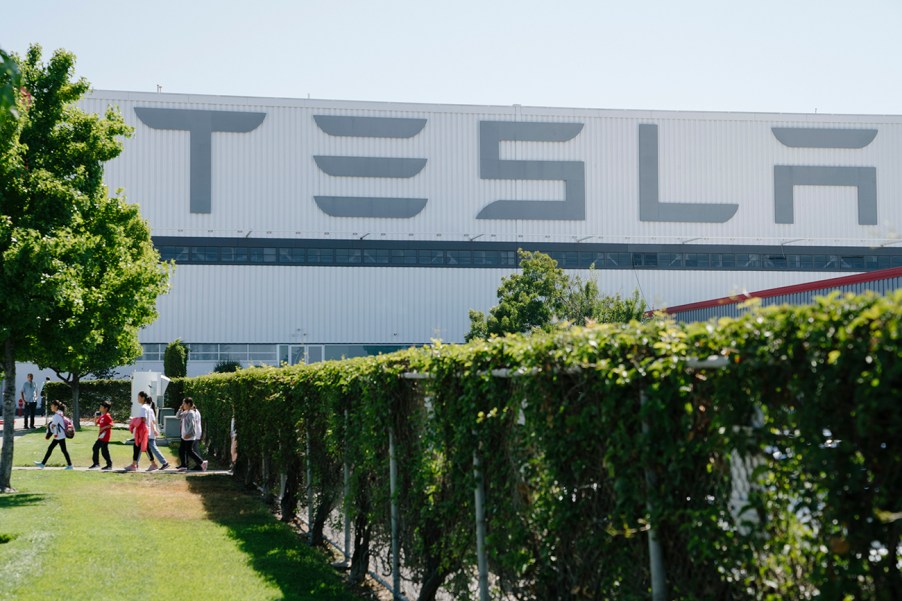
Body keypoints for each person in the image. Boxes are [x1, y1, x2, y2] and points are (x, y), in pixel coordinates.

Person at [34, 400, 73, 469]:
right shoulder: (60, 413)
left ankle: (70, 465)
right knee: (57, 449)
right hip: (59, 435)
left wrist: (49, 427)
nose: (51, 407)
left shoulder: (57, 415)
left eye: (52, 406)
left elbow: (53, 425)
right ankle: (43, 464)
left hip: (59, 436)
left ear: (56, 407)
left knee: (60, 450)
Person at [175, 397, 207, 472]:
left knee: (189, 451)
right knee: (181, 450)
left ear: (188, 404)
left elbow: (192, 425)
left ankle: (202, 463)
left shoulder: (191, 413)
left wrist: (188, 433)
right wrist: (180, 409)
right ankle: (183, 465)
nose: (183, 405)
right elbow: (177, 416)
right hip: (184, 436)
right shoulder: (185, 412)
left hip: (189, 436)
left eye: (184, 403)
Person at [142, 393, 169, 471]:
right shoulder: (151, 410)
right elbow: (153, 421)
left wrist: (154, 430)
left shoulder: (148, 410)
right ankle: (156, 463)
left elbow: (152, 422)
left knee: (152, 447)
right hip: (150, 432)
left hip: (149, 433)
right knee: (148, 447)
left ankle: (164, 462)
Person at [125, 392, 151, 472]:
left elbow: (143, 419)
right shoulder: (147, 407)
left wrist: (134, 420)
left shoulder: (143, 407)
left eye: (138, 397)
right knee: (140, 447)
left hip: (142, 430)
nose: (138, 399)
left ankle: (135, 465)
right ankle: (134, 464)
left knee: (139, 446)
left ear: (143, 398)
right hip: (145, 429)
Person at [89, 401, 114, 471]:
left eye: (101, 407)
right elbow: (96, 424)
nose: (100, 408)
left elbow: (111, 424)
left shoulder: (107, 416)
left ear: (105, 408)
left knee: (95, 448)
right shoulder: (102, 416)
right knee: (104, 451)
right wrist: (95, 417)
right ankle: (109, 465)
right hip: (101, 436)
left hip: (104, 436)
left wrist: (104, 428)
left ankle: (96, 464)